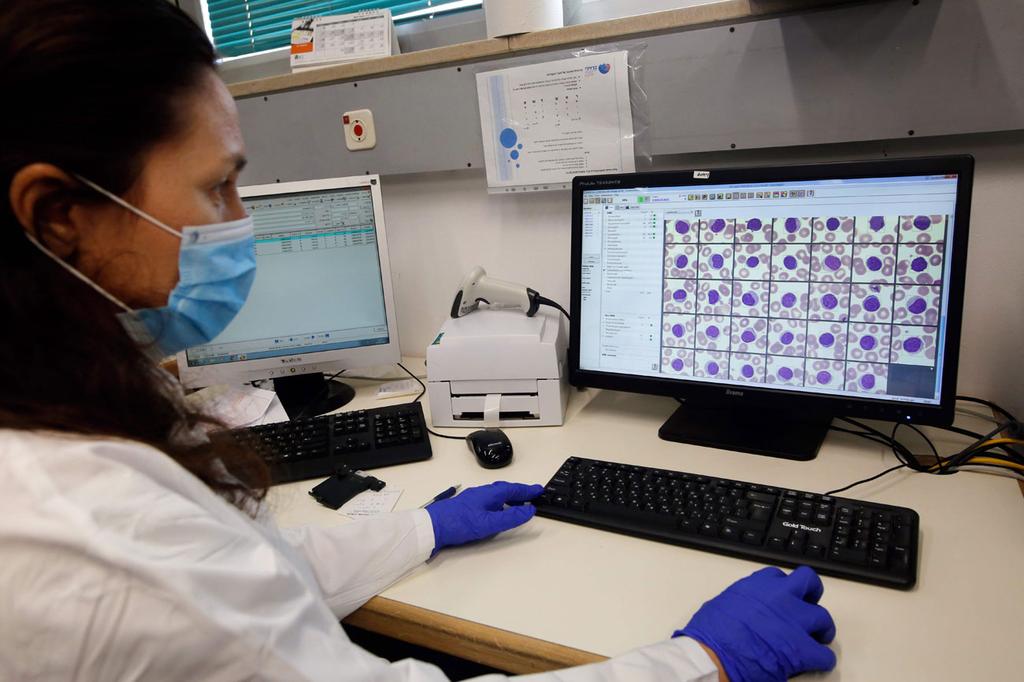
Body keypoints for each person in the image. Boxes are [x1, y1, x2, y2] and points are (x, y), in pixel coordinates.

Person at [0, 1, 837, 680]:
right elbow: (207, 596)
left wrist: (420, 531)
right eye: (218, 187)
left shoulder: (60, 404)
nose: (242, 223)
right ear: (59, 216)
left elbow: (249, 580)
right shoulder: (95, 538)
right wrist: (702, 663)